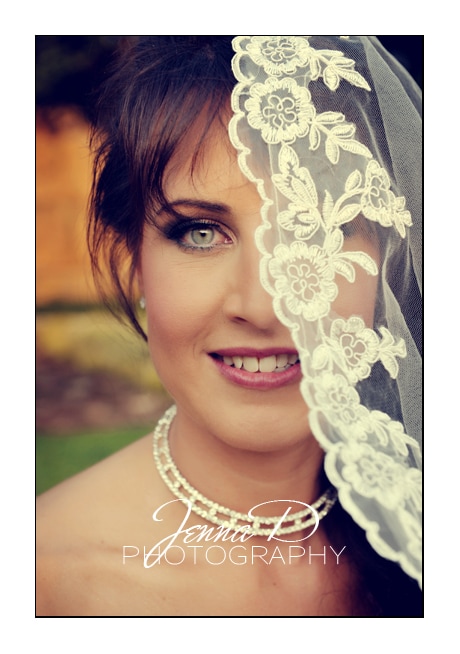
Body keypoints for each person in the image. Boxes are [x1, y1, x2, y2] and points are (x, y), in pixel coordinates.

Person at [36, 36, 422, 617]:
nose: (264, 307)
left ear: (391, 265)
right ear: (135, 263)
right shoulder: (40, 583)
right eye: (199, 233)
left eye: (314, 229)